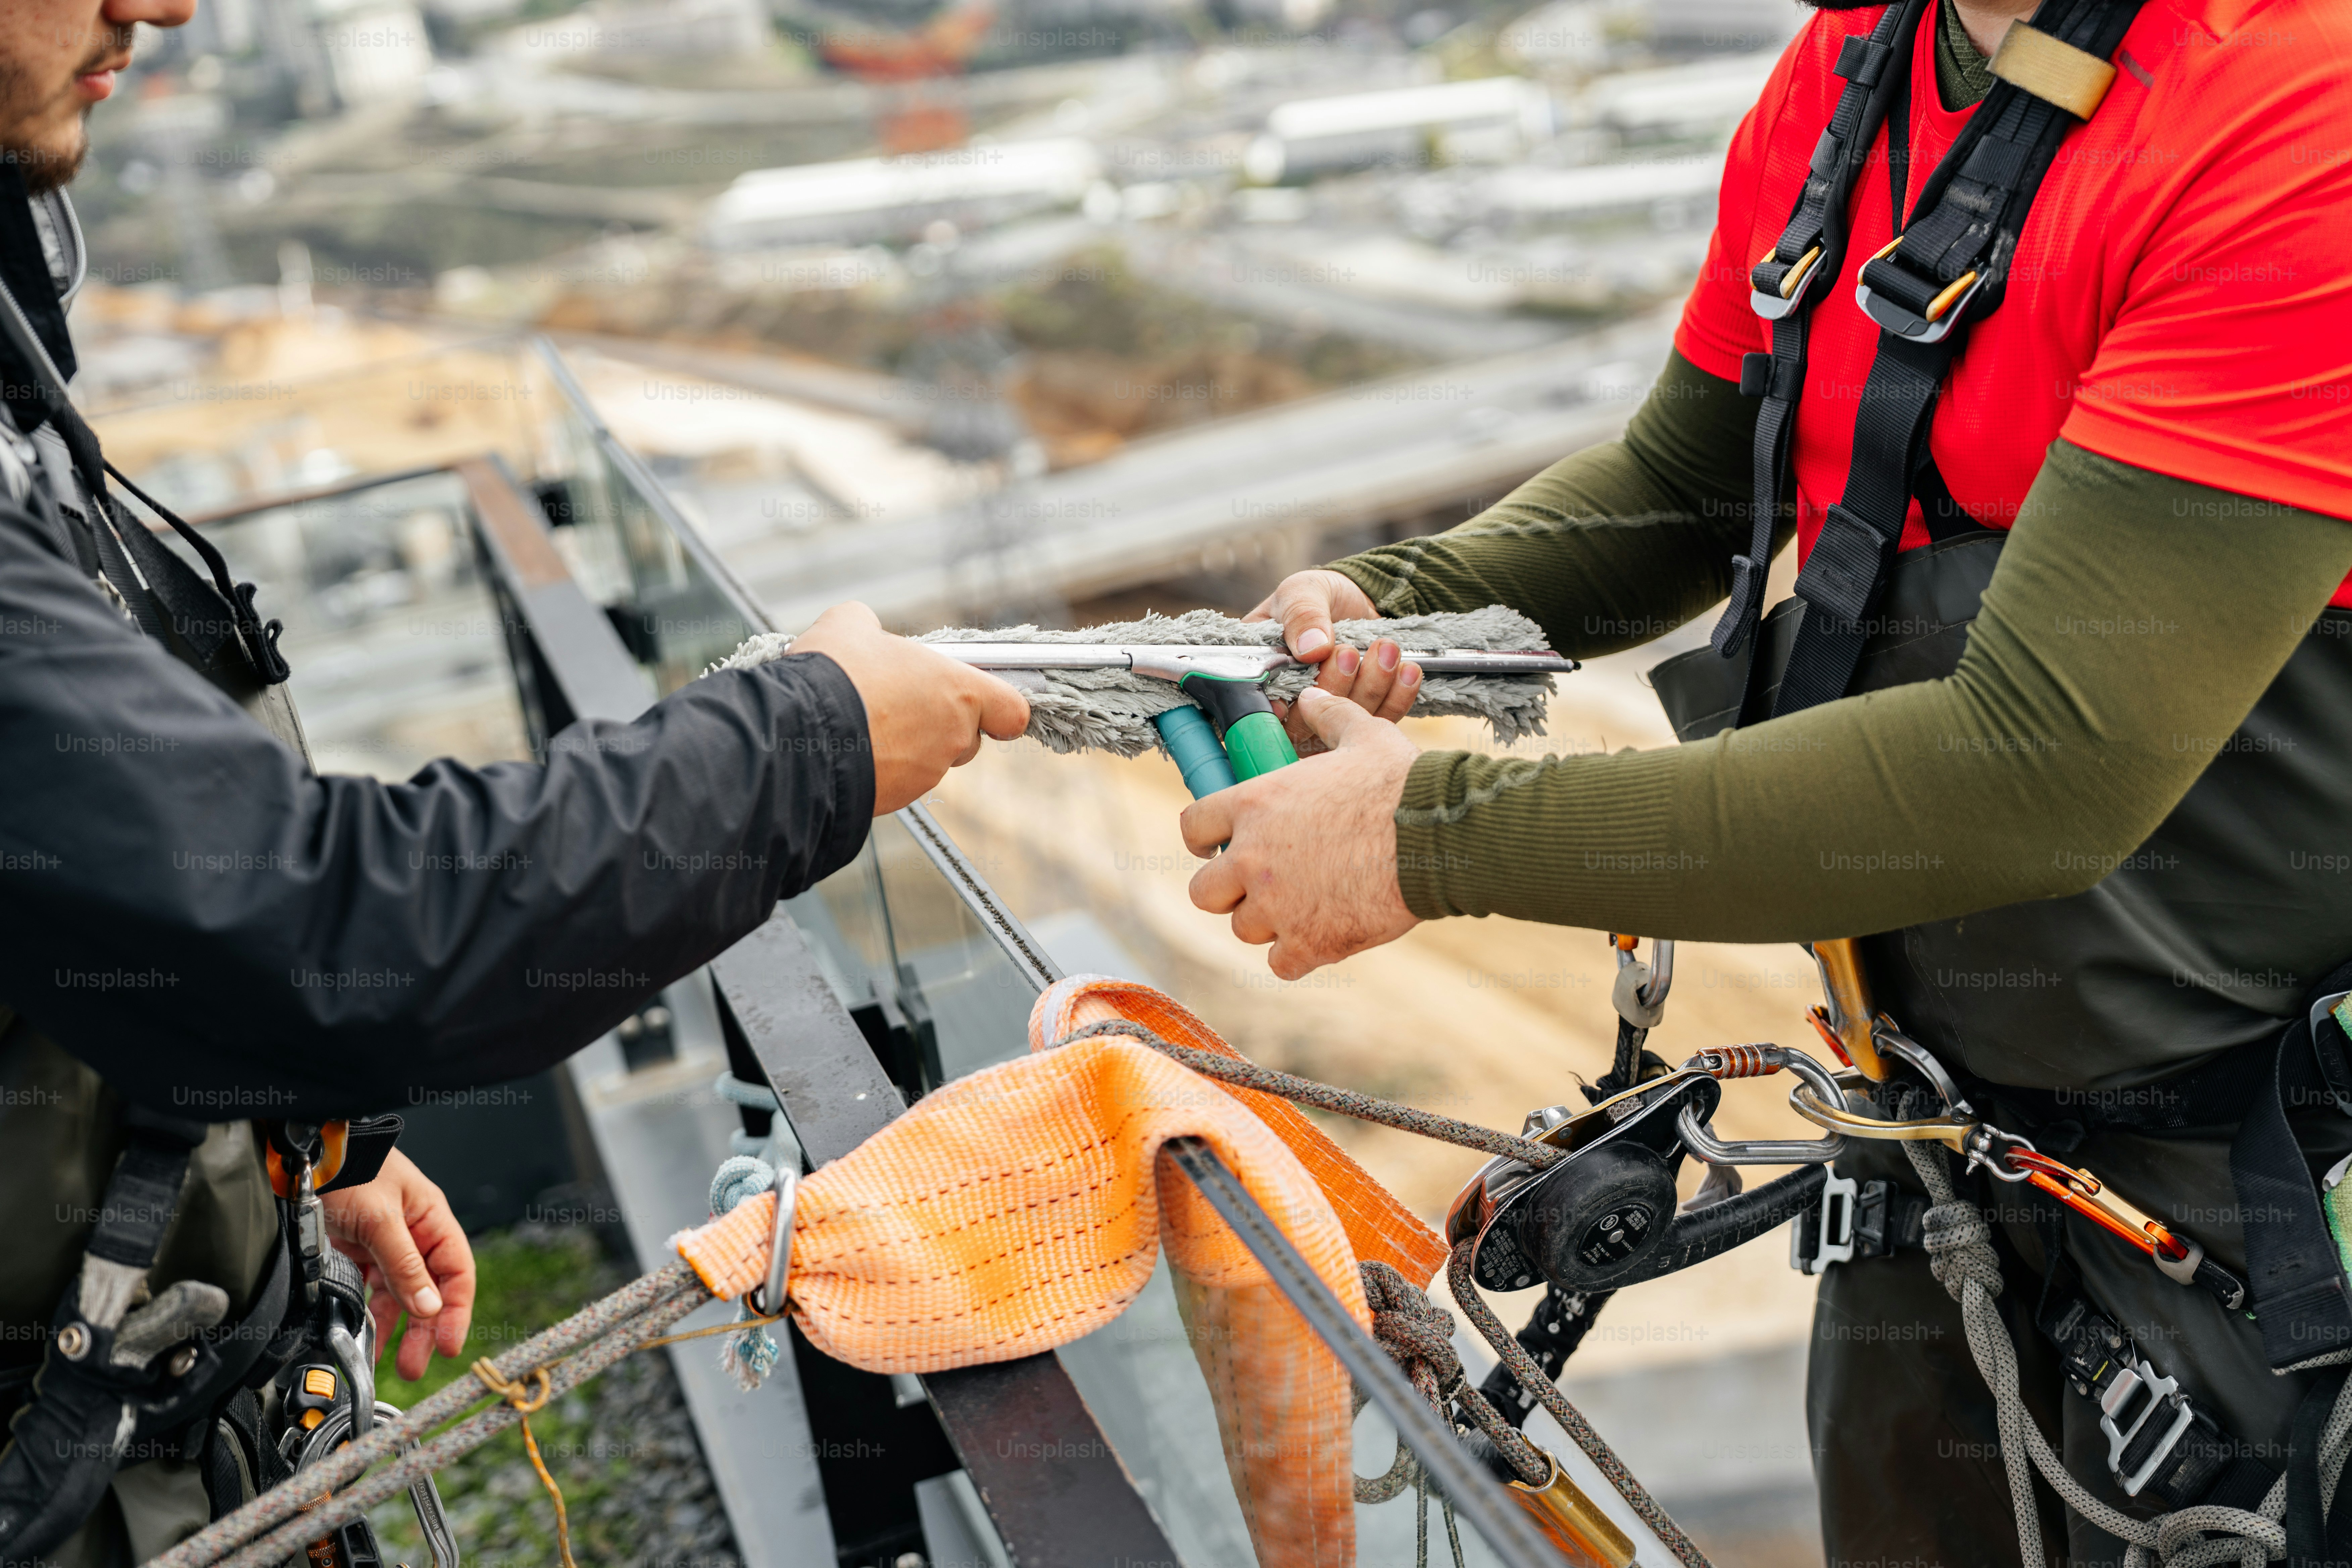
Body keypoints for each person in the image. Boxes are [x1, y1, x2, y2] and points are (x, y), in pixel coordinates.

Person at [1183, 0, 2352, 1558]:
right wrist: (1405, 605)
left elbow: (2040, 760)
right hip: (1939, 1139)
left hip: (2260, 1189)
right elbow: (1688, 483)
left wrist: (1426, 837)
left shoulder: (2291, 107)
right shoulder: (1863, 60)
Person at [0, 0, 1028, 1557]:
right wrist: (810, 745)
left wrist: (293, 1153)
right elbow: (311, 925)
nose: (164, 4)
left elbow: (114, 887)